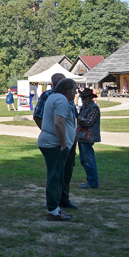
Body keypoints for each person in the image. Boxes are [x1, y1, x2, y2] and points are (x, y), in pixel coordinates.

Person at [37, 78, 78, 221]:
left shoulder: (54, 97)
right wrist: (63, 144)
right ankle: (53, 211)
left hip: (50, 143)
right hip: (54, 145)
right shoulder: (61, 100)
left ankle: (56, 208)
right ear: (68, 90)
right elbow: (58, 124)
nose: (76, 93)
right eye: (74, 89)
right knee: (55, 177)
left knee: (57, 176)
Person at [76, 88, 101, 189]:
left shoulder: (93, 108)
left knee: (89, 160)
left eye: (84, 97)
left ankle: (93, 182)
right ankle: (90, 180)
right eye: (82, 97)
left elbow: (89, 122)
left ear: (91, 97)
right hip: (82, 136)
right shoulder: (85, 106)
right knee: (83, 159)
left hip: (88, 136)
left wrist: (78, 118)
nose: (82, 99)